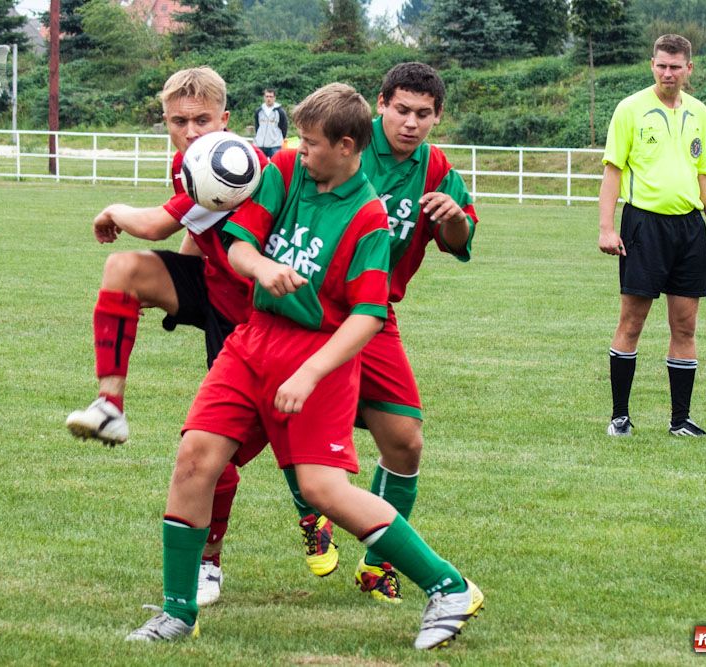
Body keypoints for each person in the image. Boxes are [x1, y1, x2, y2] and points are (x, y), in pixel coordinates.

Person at [124, 83, 483, 650]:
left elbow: (367, 316)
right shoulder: (286, 171)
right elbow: (239, 244)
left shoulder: (368, 218)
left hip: (318, 352)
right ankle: (177, 613)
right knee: (195, 457)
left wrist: (310, 373)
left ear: (345, 147)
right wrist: (262, 268)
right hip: (252, 341)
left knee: (323, 488)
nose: (297, 149)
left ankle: (450, 586)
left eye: (311, 143)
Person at [202, 62, 480, 604]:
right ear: (380, 105)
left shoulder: (435, 167)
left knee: (405, 441)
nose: (411, 123)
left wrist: (451, 218)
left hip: (369, 317)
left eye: (424, 114)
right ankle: (308, 514)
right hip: (298, 317)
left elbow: (461, 238)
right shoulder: (335, 143)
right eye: (401, 109)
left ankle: (378, 563)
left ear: (437, 117)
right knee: (265, 431)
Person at [63, 66, 267, 606]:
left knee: (217, 453)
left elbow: (156, 223)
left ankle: (210, 562)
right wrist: (181, 291)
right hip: (219, 293)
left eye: (203, 119)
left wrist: (112, 210)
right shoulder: (187, 163)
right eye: (180, 121)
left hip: (263, 321)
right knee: (125, 271)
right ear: (167, 123)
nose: (193, 131)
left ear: (226, 120)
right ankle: (109, 404)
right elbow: (199, 233)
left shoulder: (236, 161)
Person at [597, 34, 706, 437]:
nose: (667, 73)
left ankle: (680, 420)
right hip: (643, 226)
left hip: (689, 229)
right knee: (631, 321)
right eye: (661, 65)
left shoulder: (699, 112)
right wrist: (606, 226)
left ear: (690, 69)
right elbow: (612, 172)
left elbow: (705, 174)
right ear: (651, 64)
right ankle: (620, 416)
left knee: (685, 327)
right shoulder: (631, 109)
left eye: (675, 66)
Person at [253, 88, 288, 158]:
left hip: (275, 145)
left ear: (274, 98)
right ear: (264, 97)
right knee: (260, 166)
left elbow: (284, 127)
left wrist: (280, 139)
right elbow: (257, 126)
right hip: (260, 145)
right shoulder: (259, 111)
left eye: (271, 96)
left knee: (275, 166)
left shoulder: (280, 112)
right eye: (267, 96)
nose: (268, 99)